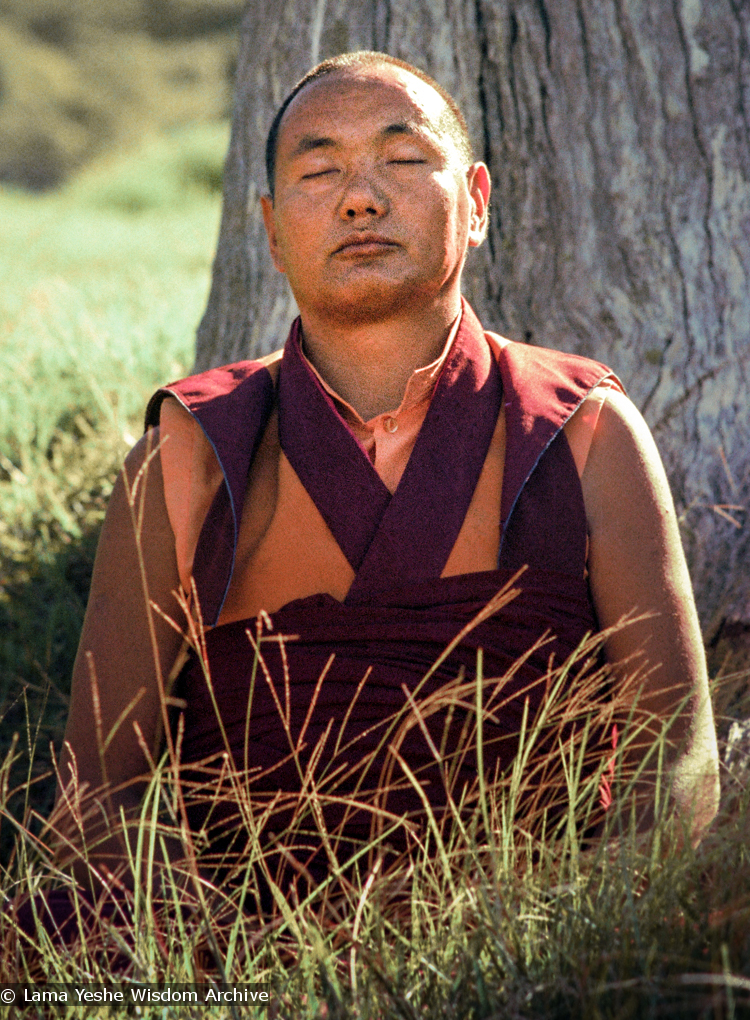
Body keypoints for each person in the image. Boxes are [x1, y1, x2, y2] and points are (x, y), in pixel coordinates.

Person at [52, 52, 718, 905]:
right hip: (249, 952)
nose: (360, 198)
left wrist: (554, 927)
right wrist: (234, 958)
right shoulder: (190, 458)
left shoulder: (579, 429)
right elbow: (91, 802)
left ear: (475, 203)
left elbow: (681, 760)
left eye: (403, 161)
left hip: (523, 945)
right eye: (320, 170)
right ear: (270, 232)